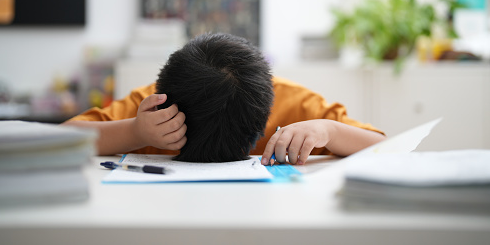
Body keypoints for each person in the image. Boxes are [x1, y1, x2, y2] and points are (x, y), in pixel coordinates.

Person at [63, 32, 386, 164]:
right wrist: (134, 132)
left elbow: (387, 149)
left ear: (268, 106)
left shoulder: (298, 106)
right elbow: (57, 140)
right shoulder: (151, 108)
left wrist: (330, 130)